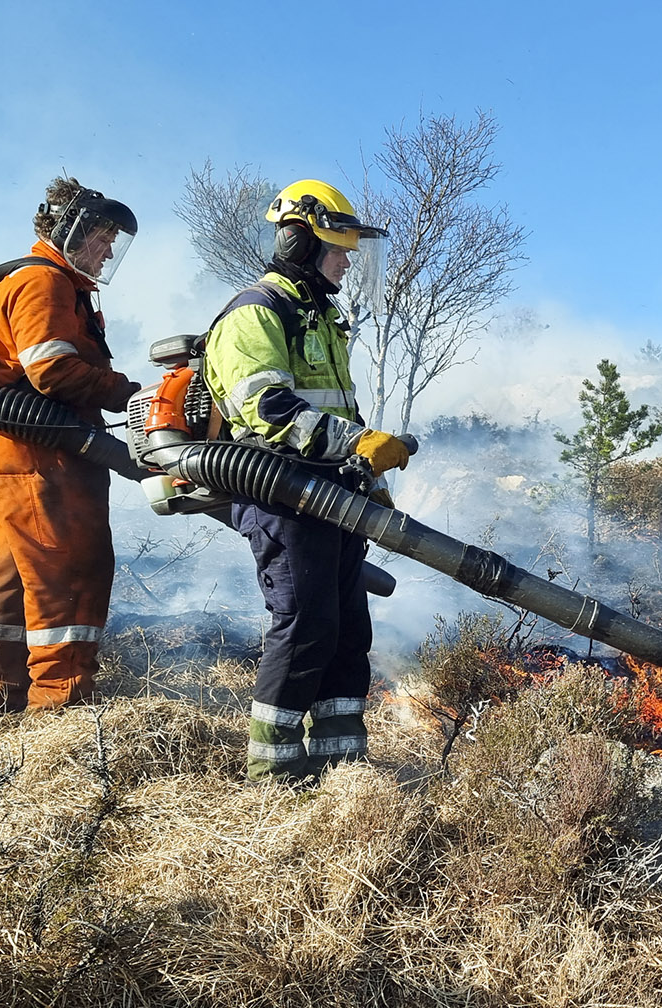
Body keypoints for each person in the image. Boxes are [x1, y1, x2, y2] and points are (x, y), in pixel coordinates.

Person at [202, 179, 406, 783]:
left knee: (346, 630)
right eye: (338, 248)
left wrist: (367, 475)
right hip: (284, 496)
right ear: (298, 243)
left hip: (333, 496)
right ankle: (274, 777)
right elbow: (267, 409)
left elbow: (339, 413)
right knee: (305, 626)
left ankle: (341, 770)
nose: (347, 261)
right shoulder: (256, 314)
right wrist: (358, 445)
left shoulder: (321, 319)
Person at [0, 178, 141, 713]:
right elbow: (54, 372)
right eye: (104, 239)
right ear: (75, 231)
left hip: (26, 454)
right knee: (70, 576)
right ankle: (60, 706)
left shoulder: (57, 285)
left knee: (13, 579)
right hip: (43, 458)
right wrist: (127, 393)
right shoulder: (45, 284)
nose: (109, 251)